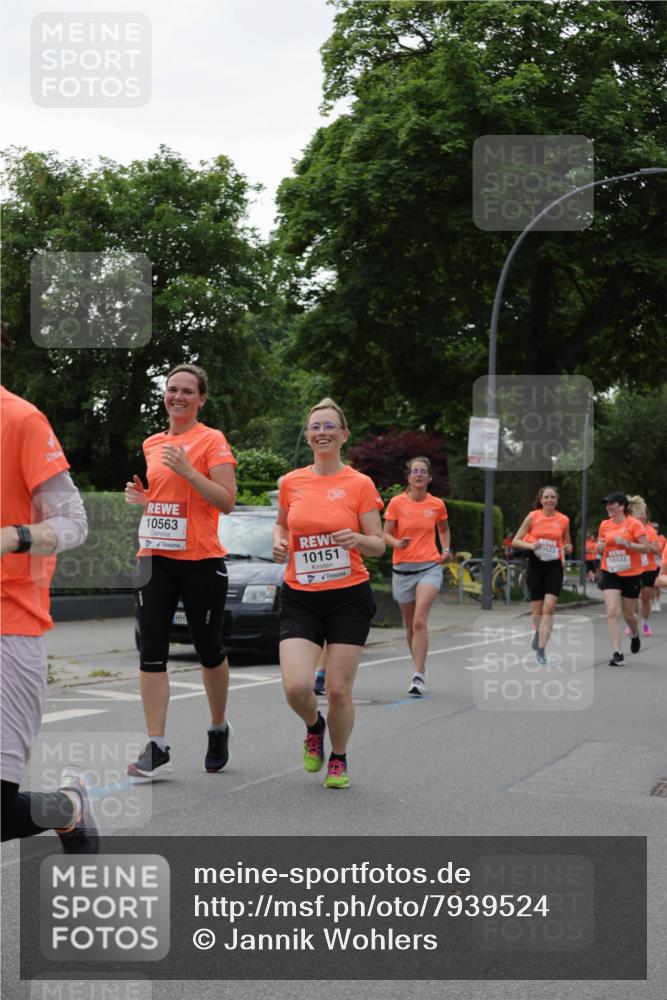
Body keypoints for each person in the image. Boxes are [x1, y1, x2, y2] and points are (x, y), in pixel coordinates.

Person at [125, 364, 237, 778]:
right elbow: (167, 497)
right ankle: (156, 745)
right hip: (155, 557)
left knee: (208, 648)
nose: (178, 396)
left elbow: (226, 501)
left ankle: (218, 727)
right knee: (151, 651)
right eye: (172, 389)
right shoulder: (152, 442)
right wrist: (146, 499)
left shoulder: (212, 440)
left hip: (200, 561)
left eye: (188, 391)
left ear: (201, 399)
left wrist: (188, 470)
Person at [1, 368, 95, 850]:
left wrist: (14, 536)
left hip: (9, 626)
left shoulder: (21, 421)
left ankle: (67, 807)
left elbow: (73, 522)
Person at [272, 398, 384, 789]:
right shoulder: (291, 482)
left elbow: (378, 543)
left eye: (329, 426)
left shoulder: (360, 484)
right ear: (307, 436)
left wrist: (357, 538)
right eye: (315, 427)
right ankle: (313, 726)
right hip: (301, 596)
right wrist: (279, 542)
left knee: (337, 690)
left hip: (349, 597)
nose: (322, 432)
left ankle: (338, 757)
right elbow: (282, 526)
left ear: (344, 435)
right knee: (296, 687)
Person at [383, 456, 450, 696]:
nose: (419, 475)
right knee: (410, 624)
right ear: (409, 477)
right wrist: (396, 543)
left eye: (423, 472)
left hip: (429, 567)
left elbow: (443, 529)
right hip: (402, 569)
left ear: (429, 478)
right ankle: (419, 665)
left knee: (420, 620)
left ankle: (418, 674)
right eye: (415, 471)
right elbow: (385, 534)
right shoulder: (397, 503)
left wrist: (445, 549)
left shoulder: (437, 504)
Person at [510, 485, 572, 665]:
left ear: (556, 500)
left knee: (549, 607)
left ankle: (542, 650)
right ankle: (538, 633)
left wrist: (568, 548)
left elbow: (567, 543)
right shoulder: (533, 516)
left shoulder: (563, 520)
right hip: (536, 566)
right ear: (541, 499)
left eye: (552, 497)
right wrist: (531, 545)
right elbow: (516, 541)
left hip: (554, 566)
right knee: (537, 612)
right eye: (546, 497)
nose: (549, 500)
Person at [596, 492, 648, 666]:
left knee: (629, 614)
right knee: (612, 610)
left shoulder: (634, 524)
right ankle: (617, 652)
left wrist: (628, 544)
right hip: (610, 571)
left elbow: (646, 548)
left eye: (611, 504)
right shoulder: (604, 525)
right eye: (607, 504)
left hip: (631, 573)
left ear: (621, 506)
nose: (608, 507)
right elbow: (600, 547)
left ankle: (635, 633)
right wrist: (600, 547)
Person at [625, 498, 661, 637]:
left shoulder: (650, 530)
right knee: (633, 597)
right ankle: (632, 623)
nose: (641, 516)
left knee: (646, 598)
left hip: (648, 568)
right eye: (638, 513)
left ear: (646, 515)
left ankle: (645, 623)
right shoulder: (630, 528)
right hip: (633, 567)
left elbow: (656, 550)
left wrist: (645, 546)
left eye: (643, 513)